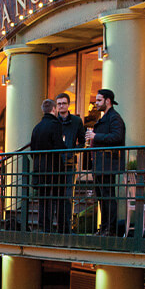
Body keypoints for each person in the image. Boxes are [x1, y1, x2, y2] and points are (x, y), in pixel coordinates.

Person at [85, 89, 126, 235]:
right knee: (102, 197)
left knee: (107, 196)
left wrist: (96, 136)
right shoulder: (107, 117)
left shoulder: (114, 117)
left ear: (107, 101)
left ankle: (110, 228)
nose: (96, 103)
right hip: (101, 163)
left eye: (99, 100)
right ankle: (105, 227)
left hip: (107, 163)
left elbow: (117, 137)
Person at [30, 98, 67, 233]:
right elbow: (59, 146)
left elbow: (33, 150)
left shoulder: (37, 127)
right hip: (53, 168)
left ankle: (44, 226)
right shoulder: (55, 125)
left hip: (39, 168)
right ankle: (59, 227)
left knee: (43, 198)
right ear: (53, 109)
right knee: (57, 198)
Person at [54, 93, 86, 233]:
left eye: (64, 103)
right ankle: (59, 226)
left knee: (68, 196)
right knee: (57, 196)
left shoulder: (76, 121)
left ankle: (66, 227)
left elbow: (83, 142)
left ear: (68, 105)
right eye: (59, 103)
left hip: (69, 162)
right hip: (55, 164)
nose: (61, 106)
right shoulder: (54, 122)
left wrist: (73, 151)